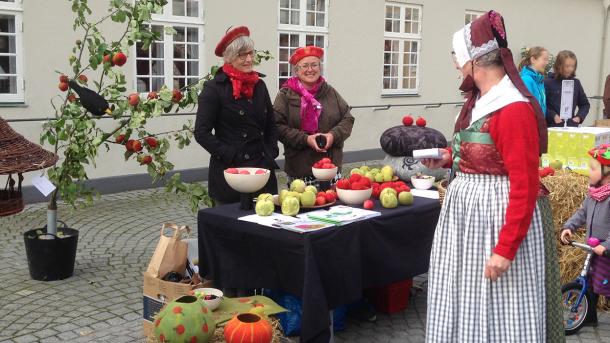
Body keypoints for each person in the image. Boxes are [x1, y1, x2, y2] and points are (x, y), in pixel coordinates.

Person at [423, 11, 564, 342]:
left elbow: (525, 184)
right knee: (467, 296)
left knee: (502, 303)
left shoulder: (511, 108)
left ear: (474, 62)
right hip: (469, 219)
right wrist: (447, 158)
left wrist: (505, 249)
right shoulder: (480, 101)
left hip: (495, 218)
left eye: (457, 58)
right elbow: (484, 154)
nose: (456, 66)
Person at [194, 26, 279, 205]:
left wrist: (271, 151)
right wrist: (229, 154)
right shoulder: (214, 88)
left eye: (251, 53)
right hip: (232, 172)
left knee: (266, 226)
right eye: (242, 55)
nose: (249, 59)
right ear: (230, 57)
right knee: (233, 227)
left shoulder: (259, 85)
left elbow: (271, 124)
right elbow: (201, 132)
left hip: (262, 169)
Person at [273, 46, 354, 187]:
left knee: (333, 206)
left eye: (314, 65)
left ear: (320, 67)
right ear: (296, 70)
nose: (310, 70)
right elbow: (277, 126)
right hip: (300, 169)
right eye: (305, 65)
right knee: (306, 207)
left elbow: (347, 118)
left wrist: (333, 135)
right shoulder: (285, 95)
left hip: (330, 168)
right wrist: (306, 139)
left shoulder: (330, 92)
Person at [561, 144, 610, 327]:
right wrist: (569, 227)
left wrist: (606, 246)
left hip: (605, 251)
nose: (589, 171)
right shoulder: (593, 195)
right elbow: (581, 213)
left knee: (604, 284)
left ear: (607, 172)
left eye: (593, 168)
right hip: (593, 249)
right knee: (590, 283)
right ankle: (590, 318)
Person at [545, 50, 590, 127]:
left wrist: (579, 117)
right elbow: (541, 105)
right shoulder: (547, 82)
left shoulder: (576, 83)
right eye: (567, 66)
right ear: (559, 65)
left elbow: (585, 104)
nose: (570, 69)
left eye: (573, 66)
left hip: (570, 127)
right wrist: (553, 115)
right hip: (551, 127)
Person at [519, 46, 550, 115]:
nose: (547, 62)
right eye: (544, 59)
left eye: (547, 60)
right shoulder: (526, 80)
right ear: (533, 60)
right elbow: (527, 108)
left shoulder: (539, 80)